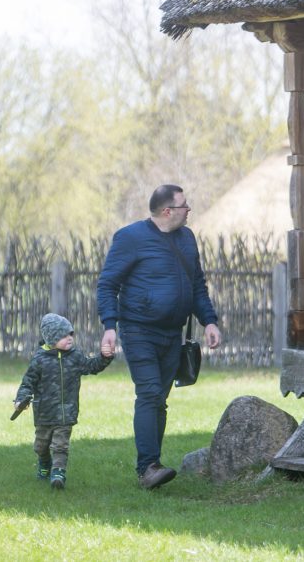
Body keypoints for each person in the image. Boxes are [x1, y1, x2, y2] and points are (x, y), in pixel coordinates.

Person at [97, 184, 221, 489]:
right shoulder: (130, 238)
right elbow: (107, 284)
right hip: (138, 330)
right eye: (184, 206)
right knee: (150, 393)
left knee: (160, 401)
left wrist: (209, 321)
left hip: (172, 333)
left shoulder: (187, 239)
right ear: (168, 211)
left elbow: (196, 285)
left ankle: (153, 464)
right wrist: (109, 325)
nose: (189, 210)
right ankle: (148, 468)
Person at [13, 312, 114, 490]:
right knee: (40, 446)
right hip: (45, 412)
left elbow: (92, 366)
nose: (69, 338)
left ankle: (58, 472)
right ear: (51, 339)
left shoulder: (75, 357)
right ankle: (44, 462)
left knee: (61, 445)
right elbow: (27, 382)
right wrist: (21, 399)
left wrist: (105, 357)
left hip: (67, 412)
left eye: (70, 334)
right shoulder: (39, 360)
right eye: (63, 336)